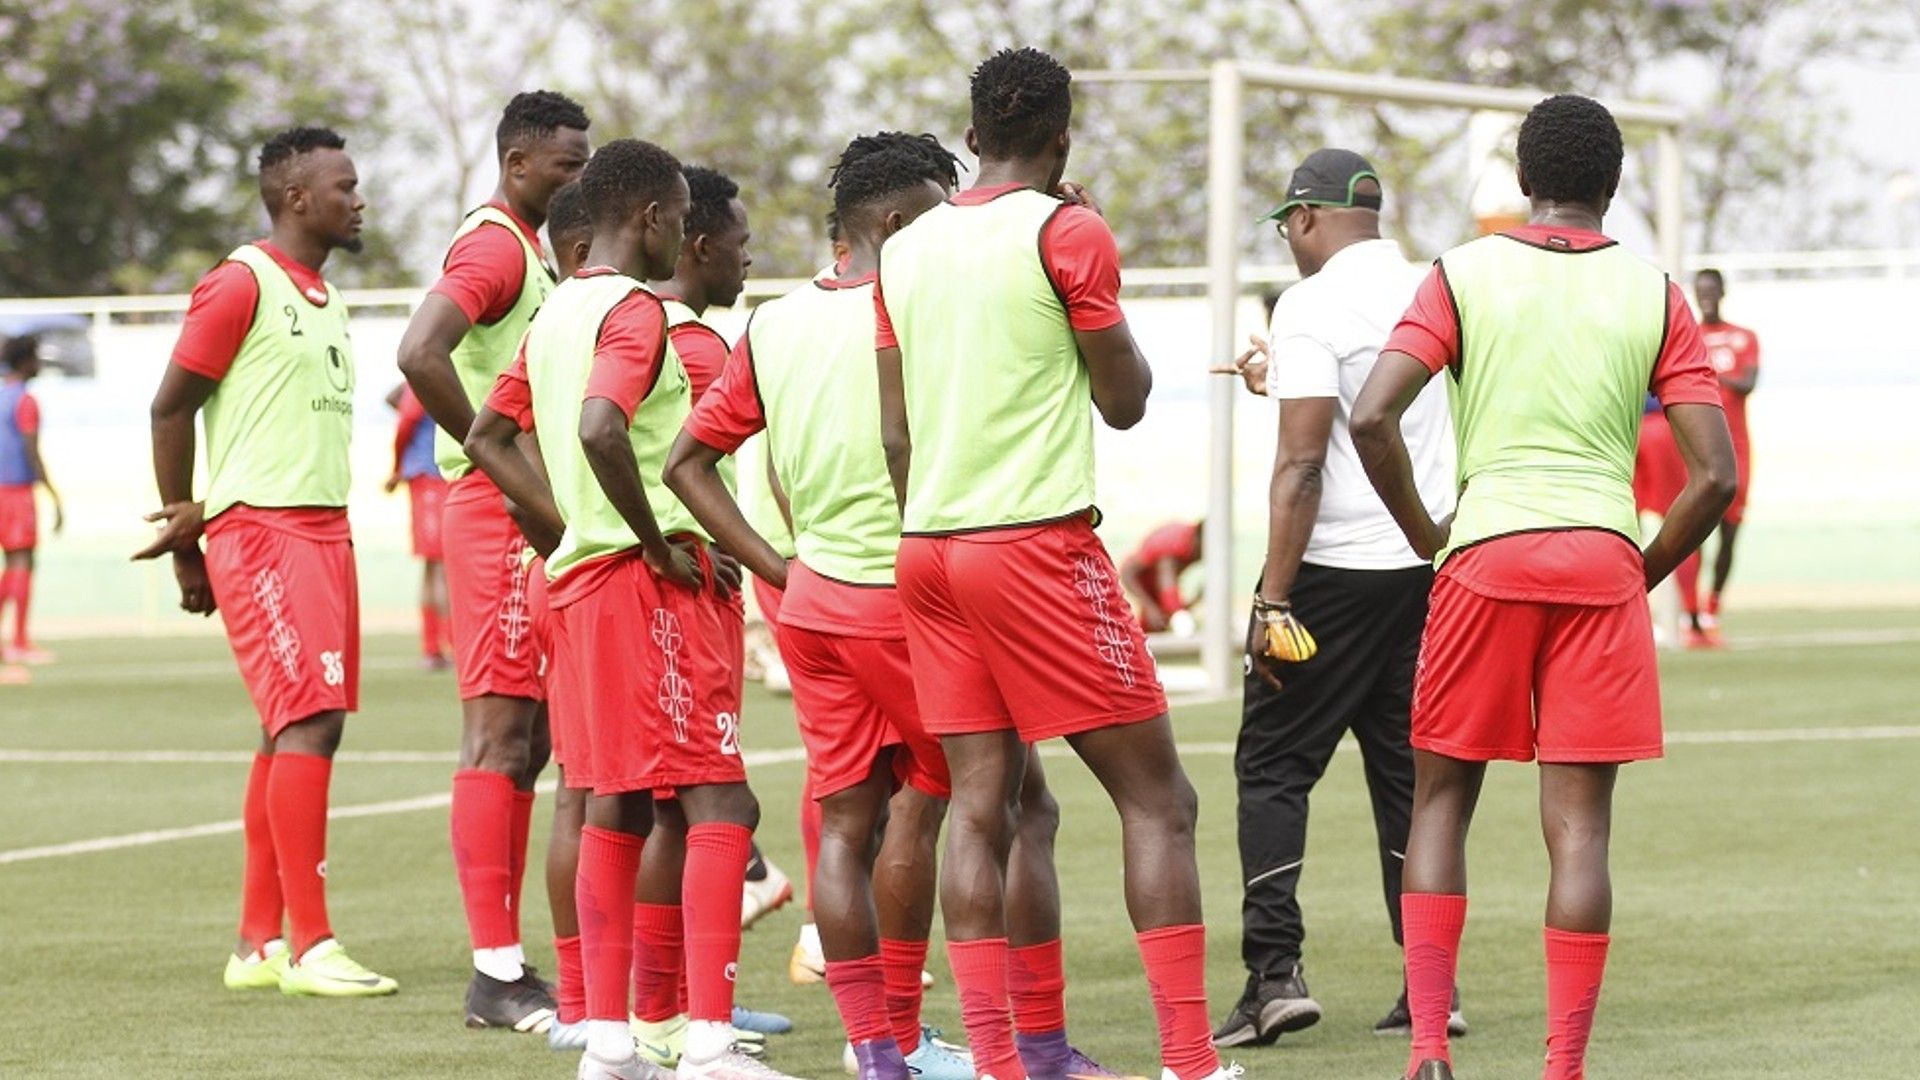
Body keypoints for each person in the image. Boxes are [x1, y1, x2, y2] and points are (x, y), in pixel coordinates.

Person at [1349, 95, 1737, 1080]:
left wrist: (1430, 537)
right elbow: (1716, 475)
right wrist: (1636, 568)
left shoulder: (1460, 274)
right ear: (1612, 188)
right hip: (1601, 562)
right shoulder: (1657, 293)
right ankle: (1562, 1068)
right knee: (1581, 830)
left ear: (1525, 181)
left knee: (1438, 803)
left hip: (1486, 554)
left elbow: (1371, 417)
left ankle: (1429, 1049)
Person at [876, 47, 1226, 1080]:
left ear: (972, 137)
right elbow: (1124, 400)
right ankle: (1192, 1064)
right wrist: (1082, 244)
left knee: (980, 804)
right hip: (1031, 543)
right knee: (1160, 802)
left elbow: (897, 434)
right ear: (1064, 138)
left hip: (928, 548)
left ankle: (996, 1064)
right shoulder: (1071, 232)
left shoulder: (904, 249)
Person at [462, 137, 799, 1080]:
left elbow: (490, 436)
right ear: (650, 218)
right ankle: (705, 1046)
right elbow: (602, 427)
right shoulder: (634, 313)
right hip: (645, 585)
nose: (690, 235)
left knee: (613, 801)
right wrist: (649, 542)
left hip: (579, 584)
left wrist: (562, 532)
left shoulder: (557, 310)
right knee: (716, 795)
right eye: (685, 218)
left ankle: (609, 1046)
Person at [666, 130, 992, 1080]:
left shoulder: (773, 323)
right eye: (938, 211)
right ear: (893, 222)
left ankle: (874, 1051)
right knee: (956, 805)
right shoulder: (924, 311)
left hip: (813, 604)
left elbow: (689, 461)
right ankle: (919, 1038)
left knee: (849, 821)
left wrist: (776, 567)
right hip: (907, 601)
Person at [1210, 148, 1466, 1050]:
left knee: (1273, 767)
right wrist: (1276, 377)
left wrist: (1272, 598)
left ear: (1306, 220)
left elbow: (1304, 463)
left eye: (1286, 227)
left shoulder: (1311, 304)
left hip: (1329, 577)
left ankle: (1274, 973)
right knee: (1409, 775)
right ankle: (1430, 986)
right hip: (1423, 567)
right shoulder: (1437, 285)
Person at [137, 125, 397, 998]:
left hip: (325, 533)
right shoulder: (240, 282)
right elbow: (170, 407)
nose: (358, 199)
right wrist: (187, 540)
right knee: (310, 723)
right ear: (296, 197)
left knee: (287, 726)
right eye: (344, 186)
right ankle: (313, 943)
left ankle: (256, 946)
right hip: (264, 535)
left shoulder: (323, 296)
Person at [397, 89, 590, 1031]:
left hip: (527, 507)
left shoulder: (534, 253)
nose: (579, 176)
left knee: (539, 739)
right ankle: (496, 973)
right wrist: (504, 467)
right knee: (500, 735)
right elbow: (420, 351)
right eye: (567, 163)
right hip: (498, 511)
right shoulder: (493, 245)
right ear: (519, 164)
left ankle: (517, 966)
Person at [1689, 268, 1760, 645]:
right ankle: (1691, 617)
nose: (1706, 297)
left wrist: (1708, 375)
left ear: (1722, 292)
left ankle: (1711, 608)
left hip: (1738, 450)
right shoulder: (1689, 337)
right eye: (1700, 291)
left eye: (1711, 290)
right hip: (1696, 452)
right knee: (1692, 534)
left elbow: (1748, 383)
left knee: (1729, 535)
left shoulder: (1743, 337)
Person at [0, 333, 62, 676]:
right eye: (36, 358)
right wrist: (53, 492)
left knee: (11, 565)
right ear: (26, 361)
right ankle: (20, 641)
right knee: (22, 561)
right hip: (15, 491)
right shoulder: (25, 401)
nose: (39, 365)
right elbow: (30, 450)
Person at [386, 384, 452, 669]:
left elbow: (401, 408)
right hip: (432, 476)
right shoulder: (430, 366)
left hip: (427, 477)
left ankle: (433, 646)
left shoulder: (426, 372)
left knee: (433, 566)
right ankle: (447, 645)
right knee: (440, 566)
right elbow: (408, 417)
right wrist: (398, 464)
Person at [1117, 520, 1202, 633]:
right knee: (1156, 623)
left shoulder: (1191, 543)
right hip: (1139, 580)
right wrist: (1152, 607)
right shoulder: (1176, 543)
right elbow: (1166, 580)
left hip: (1156, 591)